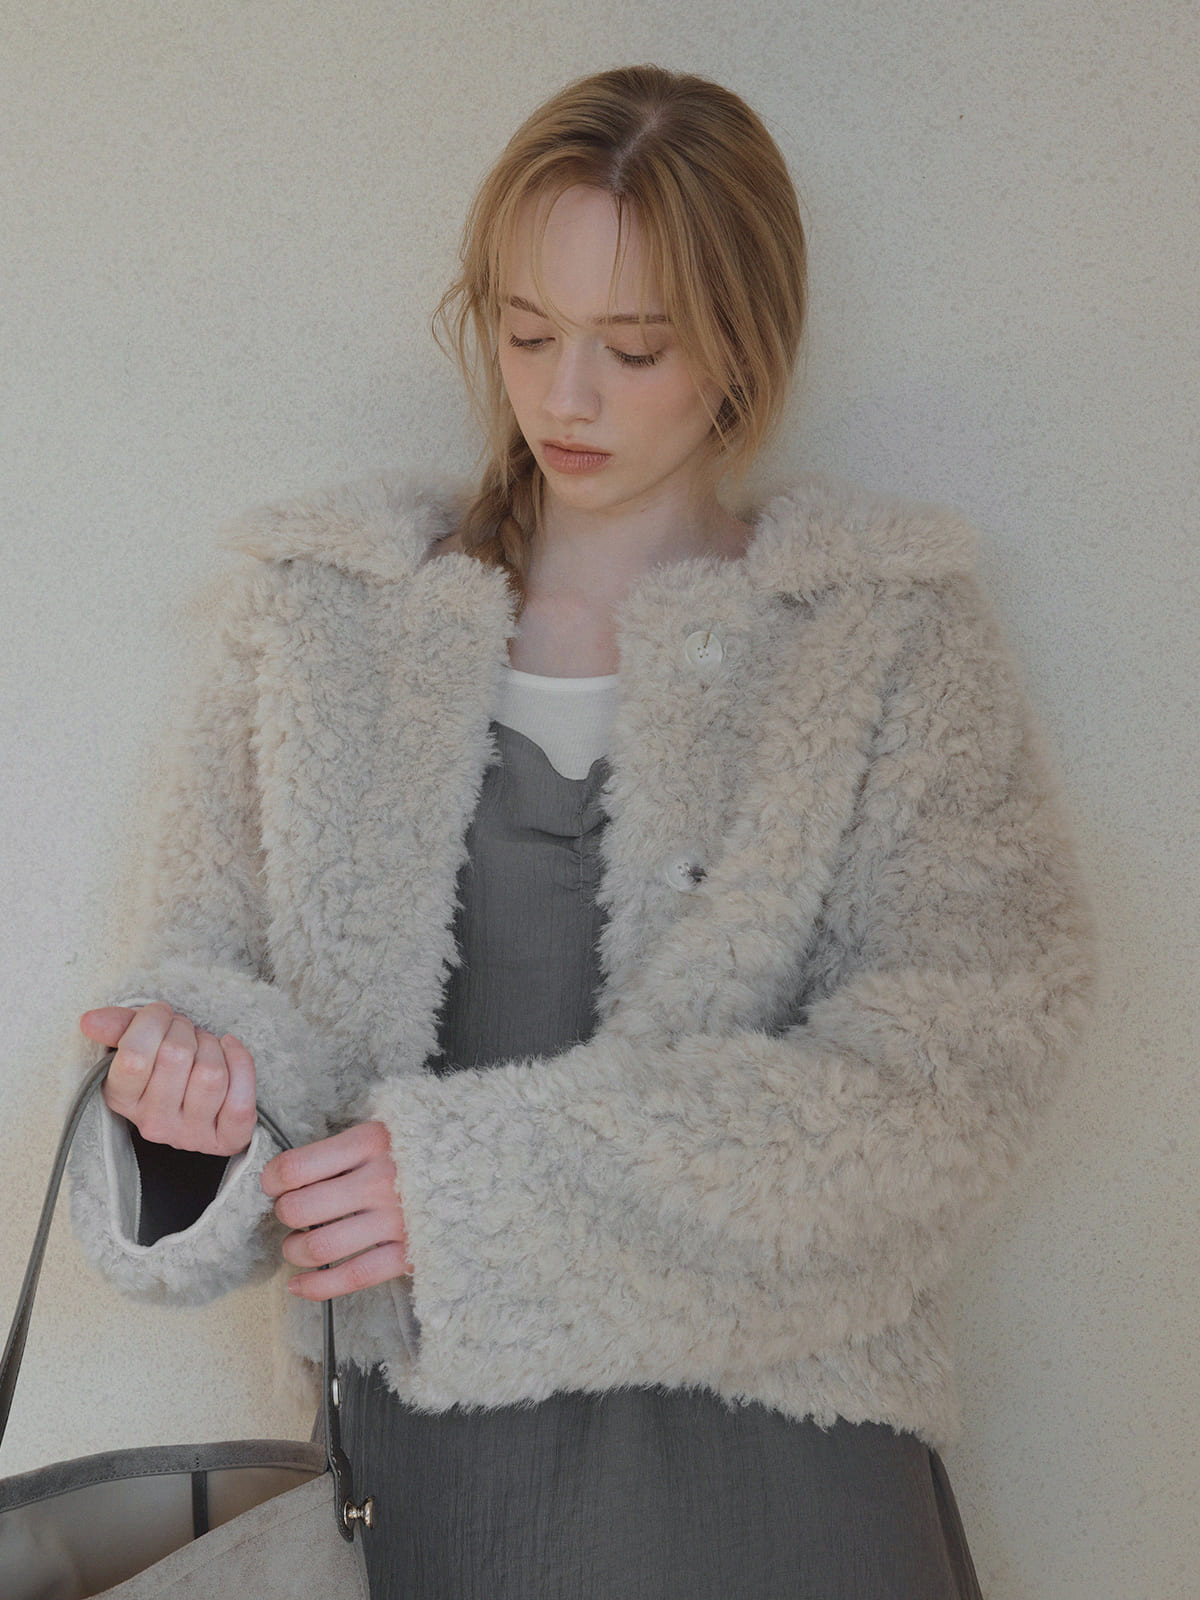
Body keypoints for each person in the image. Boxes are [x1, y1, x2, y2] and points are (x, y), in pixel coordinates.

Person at [69, 64, 1094, 1599]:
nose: (565, 397)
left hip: (786, 1469)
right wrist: (190, 1104)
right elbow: (212, 988)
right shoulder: (322, 617)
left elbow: (962, 1067)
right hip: (428, 1486)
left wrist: (489, 1198)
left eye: (635, 345)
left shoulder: (882, 634)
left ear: (745, 342)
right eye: (528, 331)